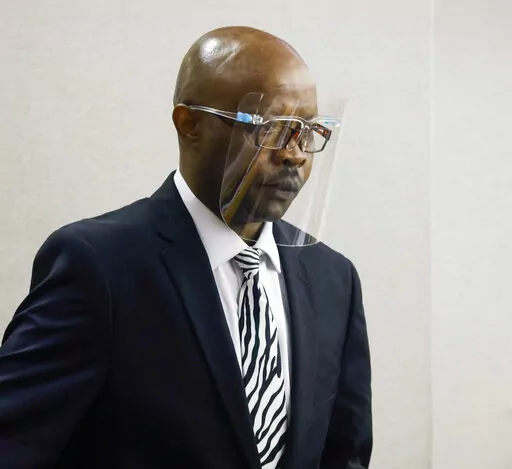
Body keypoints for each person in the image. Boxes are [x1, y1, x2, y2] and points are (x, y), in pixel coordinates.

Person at [0, 26, 372, 469]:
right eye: (270, 127)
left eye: (307, 130)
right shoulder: (99, 266)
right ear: (189, 124)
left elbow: (345, 453)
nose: (294, 154)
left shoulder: (333, 279)